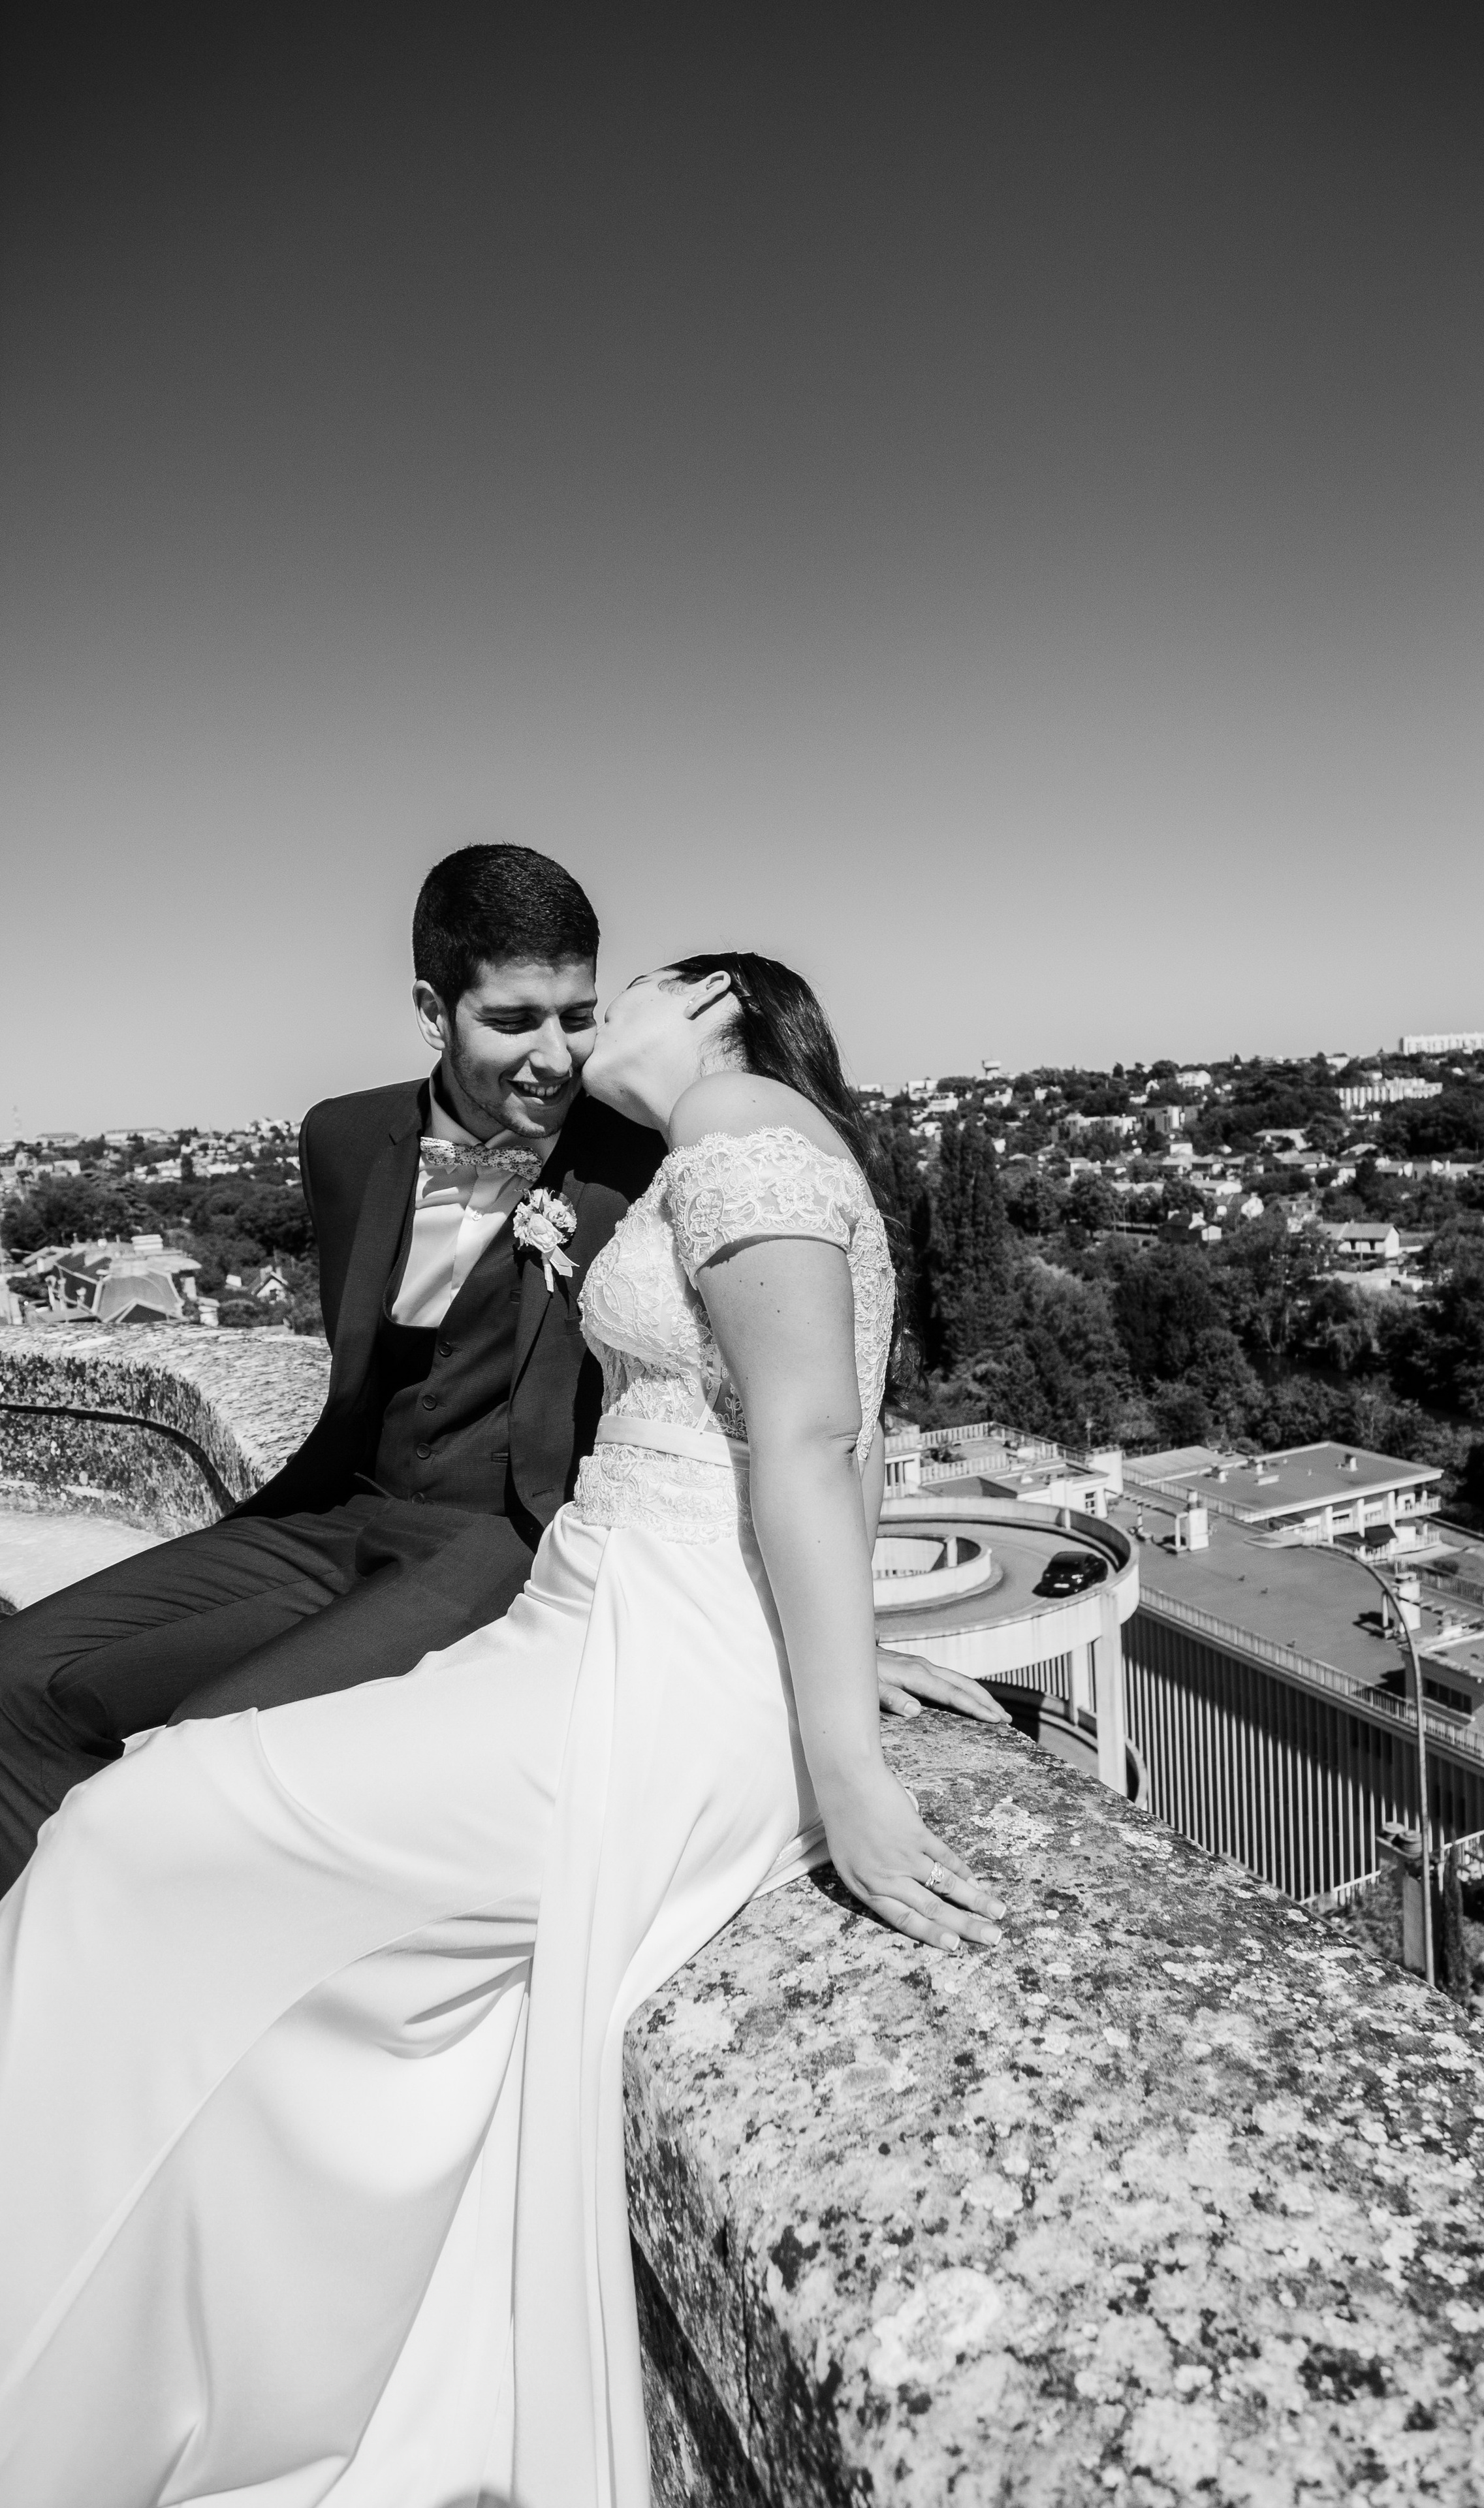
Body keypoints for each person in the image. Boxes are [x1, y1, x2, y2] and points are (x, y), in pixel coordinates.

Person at [0, 950, 1007, 2508]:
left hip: (643, 1668)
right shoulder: (718, 1145)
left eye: (637, 992)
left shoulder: (735, 1110)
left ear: (725, 1006)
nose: (603, 1029)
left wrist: (848, 1769)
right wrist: (843, 1650)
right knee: (166, 1824)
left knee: (145, 1825)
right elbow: (821, 1426)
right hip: (587, 1622)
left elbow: (814, 1433)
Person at [0, 849, 994, 1891]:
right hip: (336, 1512)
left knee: (193, 1761)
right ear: (435, 1009)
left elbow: (814, 1401)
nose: (557, 1057)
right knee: (21, 1682)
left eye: (579, 1014)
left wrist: (829, 1642)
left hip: (509, 1547)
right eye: (515, 1021)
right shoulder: (341, 1138)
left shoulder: (653, 1143)